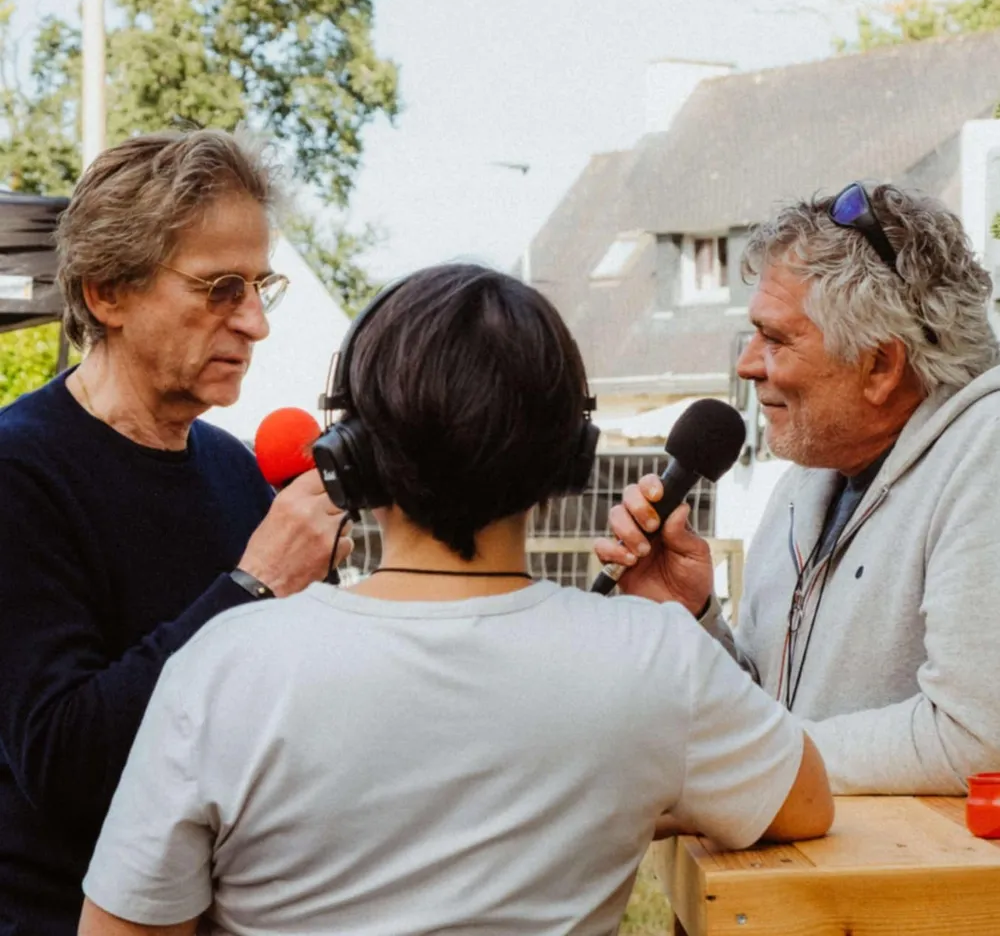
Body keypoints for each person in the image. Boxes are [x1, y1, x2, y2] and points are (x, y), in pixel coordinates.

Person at [78, 263, 832, 936]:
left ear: (352, 458)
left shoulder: (223, 664)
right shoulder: (657, 657)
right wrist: (627, 790)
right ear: (570, 456)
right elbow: (805, 804)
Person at [0, 129, 353, 936]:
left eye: (262, 285)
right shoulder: (20, 473)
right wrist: (252, 586)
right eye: (220, 287)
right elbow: (64, 761)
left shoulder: (232, 468)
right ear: (106, 293)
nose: (256, 322)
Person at [596, 181, 1000, 796]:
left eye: (776, 338)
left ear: (881, 366)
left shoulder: (986, 452)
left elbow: (977, 739)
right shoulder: (804, 481)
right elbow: (767, 714)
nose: (747, 364)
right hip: (786, 891)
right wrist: (692, 618)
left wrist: (758, 761)